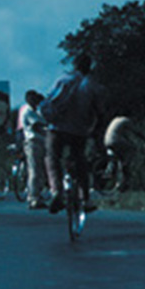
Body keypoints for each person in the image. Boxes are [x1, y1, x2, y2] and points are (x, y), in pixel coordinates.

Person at [42, 53, 106, 214]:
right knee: (80, 161)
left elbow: (48, 101)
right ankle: (86, 199)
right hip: (79, 131)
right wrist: (95, 131)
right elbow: (100, 112)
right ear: (89, 66)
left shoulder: (63, 80)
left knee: (52, 157)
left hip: (56, 128)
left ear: (74, 65)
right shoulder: (92, 85)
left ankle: (56, 190)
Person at [103, 115, 145, 188]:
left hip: (107, 141)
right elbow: (137, 132)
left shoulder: (116, 120)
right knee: (132, 149)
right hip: (116, 141)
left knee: (114, 160)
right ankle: (125, 166)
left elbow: (124, 136)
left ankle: (109, 178)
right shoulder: (126, 120)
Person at [20, 90, 48, 209]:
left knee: (41, 170)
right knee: (35, 170)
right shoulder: (27, 110)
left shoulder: (37, 110)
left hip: (42, 142)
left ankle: (39, 195)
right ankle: (33, 197)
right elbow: (37, 126)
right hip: (33, 142)